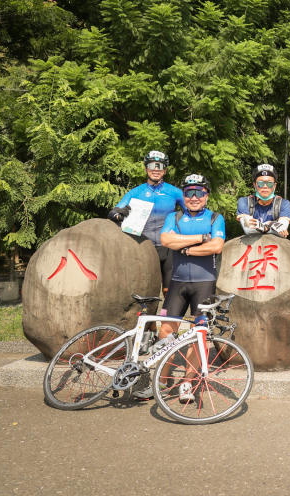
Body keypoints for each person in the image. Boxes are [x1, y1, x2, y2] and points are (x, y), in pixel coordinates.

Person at [134, 174, 225, 401]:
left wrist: (185, 247)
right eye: (189, 193)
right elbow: (166, 240)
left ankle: (187, 383)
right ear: (183, 196)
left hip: (204, 284)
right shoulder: (173, 217)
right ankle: (162, 381)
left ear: (206, 195)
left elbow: (216, 246)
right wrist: (200, 238)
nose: (193, 197)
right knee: (166, 331)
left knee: (198, 335)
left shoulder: (216, 217)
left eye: (199, 192)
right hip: (177, 283)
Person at [108, 151, 185, 295]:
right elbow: (113, 213)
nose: (156, 169)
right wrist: (119, 215)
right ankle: (147, 318)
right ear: (146, 169)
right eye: (151, 166)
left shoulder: (174, 192)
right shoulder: (135, 192)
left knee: (170, 293)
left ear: (165, 170)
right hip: (144, 248)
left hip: (168, 248)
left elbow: (193, 212)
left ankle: (166, 317)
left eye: (160, 166)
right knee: (145, 293)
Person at [236, 163, 290, 238]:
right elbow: (248, 230)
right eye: (261, 183)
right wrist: (271, 225)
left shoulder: (284, 203)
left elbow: (282, 231)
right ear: (255, 185)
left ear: (274, 186)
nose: (265, 186)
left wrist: (265, 227)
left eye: (269, 183)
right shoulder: (244, 202)